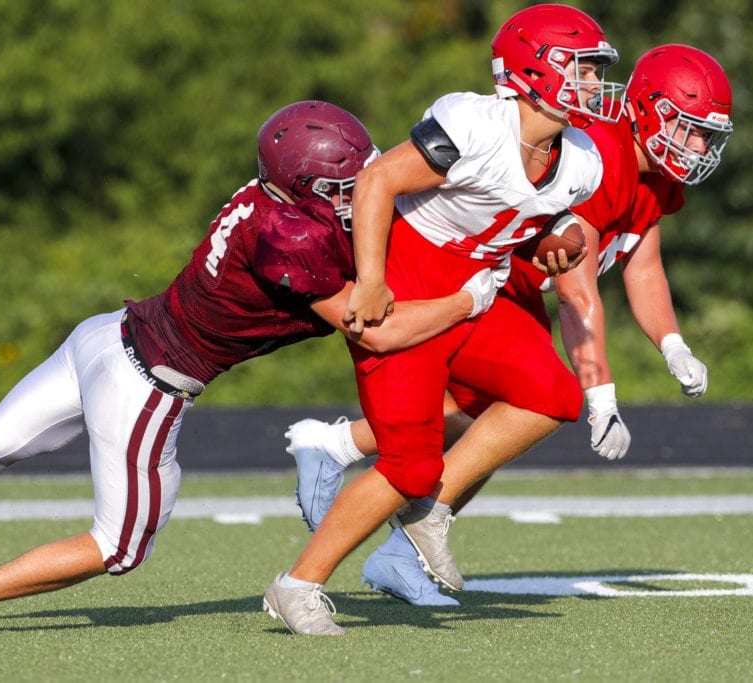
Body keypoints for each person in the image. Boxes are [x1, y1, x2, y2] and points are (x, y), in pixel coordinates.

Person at [0, 101, 503, 635]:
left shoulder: (269, 201)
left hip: (107, 335)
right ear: (305, 188)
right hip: (150, 382)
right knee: (118, 547)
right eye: (346, 185)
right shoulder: (294, 237)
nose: (362, 194)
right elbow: (375, 332)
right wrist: (467, 298)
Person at [285, 43, 734, 608]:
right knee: (478, 426)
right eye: (689, 129)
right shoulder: (603, 154)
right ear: (650, 110)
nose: (697, 147)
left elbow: (643, 266)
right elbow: (577, 288)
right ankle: (356, 512)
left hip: (502, 286)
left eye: (705, 135)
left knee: (485, 426)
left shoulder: (654, 180)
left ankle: (389, 519)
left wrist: (672, 344)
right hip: (480, 279)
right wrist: (601, 394)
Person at [263, 3, 628, 635]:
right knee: (407, 463)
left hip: (475, 286)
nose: (595, 86)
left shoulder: (582, 157)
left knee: (553, 395)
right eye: (583, 70)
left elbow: (521, 226)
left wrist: (552, 239)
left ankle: (430, 512)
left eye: (596, 72)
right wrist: (372, 279)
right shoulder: (474, 123)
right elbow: (377, 181)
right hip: (408, 278)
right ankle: (297, 585)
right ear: (535, 70)